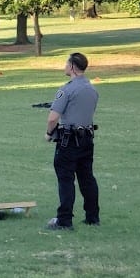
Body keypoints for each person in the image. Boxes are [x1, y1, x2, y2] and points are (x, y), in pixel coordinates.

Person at [44, 52, 100, 230]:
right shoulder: (92, 89)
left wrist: (48, 133)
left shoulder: (65, 90)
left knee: (66, 179)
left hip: (68, 141)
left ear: (73, 67)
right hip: (87, 139)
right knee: (87, 179)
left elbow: (53, 117)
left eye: (66, 63)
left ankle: (64, 220)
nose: (64, 66)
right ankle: (92, 217)